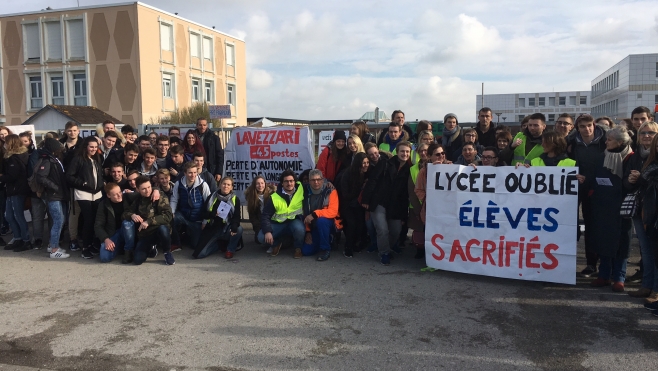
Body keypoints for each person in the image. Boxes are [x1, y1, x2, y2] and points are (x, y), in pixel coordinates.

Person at [586, 127, 634, 292]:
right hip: (602, 205)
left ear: (620, 142)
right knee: (604, 240)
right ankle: (604, 275)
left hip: (622, 207)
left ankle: (619, 277)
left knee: (622, 242)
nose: (606, 142)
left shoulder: (630, 158)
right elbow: (594, 177)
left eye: (609, 140)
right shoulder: (602, 157)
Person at [567, 114, 607, 277]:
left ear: (594, 125)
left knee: (593, 226)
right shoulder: (571, 143)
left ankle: (592, 263)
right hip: (577, 187)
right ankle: (567, 261)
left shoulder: (605, 141)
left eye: (589, 125)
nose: (587, 129)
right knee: (570, 225)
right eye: (582, 126)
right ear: (577, 128)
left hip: (598, 188)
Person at [625, 121, 658, 301]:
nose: (646, 136)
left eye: (651, 133)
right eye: (643, 132)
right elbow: (625, 181)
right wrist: (631, 180)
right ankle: (647, 286)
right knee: (645, 251)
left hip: (654, 212)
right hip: (641, 209)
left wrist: (642, 179)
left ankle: (656, 290)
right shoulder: (634, 156)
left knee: (656, 251)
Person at [122, 176, 175, 265]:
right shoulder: (137, 199)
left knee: (163, 229)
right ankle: (151, 248)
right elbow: (125, 213)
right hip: (146, 234)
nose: (147, 191)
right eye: (143, 189)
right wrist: (132, 215)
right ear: (138, 189)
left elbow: (168, 215)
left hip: (159, 231)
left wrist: (148, 221)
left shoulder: (159, 196)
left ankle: (167, 252)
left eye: (149, 187)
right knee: (138, 260)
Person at [66, 136, 104, 259]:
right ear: (85, 147)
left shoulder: (96, 158)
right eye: (91, 147)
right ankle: (85, 248)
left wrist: (100, 185)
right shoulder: (78, 159)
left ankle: (93, 244)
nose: (93, 149)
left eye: (95, 147)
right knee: (88, 220)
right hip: (83, 193)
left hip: (97, 193)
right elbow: (69, 176)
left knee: (96, 220)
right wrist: (83, 183)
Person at [34, 138, 70, 258]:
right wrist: (54, 187)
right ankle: (54, 250)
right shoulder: (47, 160)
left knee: (60, 220)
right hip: (54, 195)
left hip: (59, 194)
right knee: (58, 221)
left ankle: (52, 244)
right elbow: (41, 177)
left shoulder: (54, 159)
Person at [257, 170, 305, 257]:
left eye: (291, 181)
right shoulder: (274, 197)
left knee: (300, 229)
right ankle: (276, 244)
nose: (289, 183)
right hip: (278, 224)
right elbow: (265, 216)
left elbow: (315, 181)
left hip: (294, 221)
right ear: (282, 183)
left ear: (295, 181)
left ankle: (298, 248)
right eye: (286, 181)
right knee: (261, 237)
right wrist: (267, 231)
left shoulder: (301, 188)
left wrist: (328, 184)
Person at [193, 177, 243, 259]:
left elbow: (236, 216)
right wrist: (212, 214)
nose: (225, 186)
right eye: (224, 184)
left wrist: (234, 225)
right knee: (200, 254)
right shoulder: (212, 197)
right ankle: (219, 245)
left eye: (228, 185)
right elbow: (203, 213)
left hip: (226, 228)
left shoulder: (235, 199)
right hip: (213, 228)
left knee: (239, 229)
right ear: (220, 185)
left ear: (231, 187)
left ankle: (230, 250)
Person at [170, 162, 211, 251]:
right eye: (190, 173)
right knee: (171, 219)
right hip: (183, 215)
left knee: (195, 245)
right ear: (185, 173)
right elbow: (174, 199)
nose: (193, 175)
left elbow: (209, 203)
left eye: (195, 172)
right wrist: (172, 212)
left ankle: (187, 235)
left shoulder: (203, 185)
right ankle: (177, 243)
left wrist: (205, 221)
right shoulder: (178, 184)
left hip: (197, 219)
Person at [0, 135, 32, 251]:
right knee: (8, 215)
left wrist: (2, 177)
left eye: (6, 142)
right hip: (11, 190)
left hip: (17, 190)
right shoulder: (12, 157)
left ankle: (26, 240)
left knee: (18, 216)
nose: (4, 144)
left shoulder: (15, 157)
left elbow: (13, 176)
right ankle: (18, 238)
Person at [300, 170, 340, 261]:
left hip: (329, 223)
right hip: (313, 225)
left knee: (321, 220)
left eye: (318, 179)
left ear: (323, 180)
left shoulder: (331, 191)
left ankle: (325, 249)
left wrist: (315, 214)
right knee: (306, 251)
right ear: (309, 181)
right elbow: (304, 213)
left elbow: (333, 212)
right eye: (313, 180)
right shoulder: (304, 191)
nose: (316, 182)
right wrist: (308, 231)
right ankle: (327, 240)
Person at [96, 183, 136, 263]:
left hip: (128, 231)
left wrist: (156, 190)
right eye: (115, 194)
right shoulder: (103, 204)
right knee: (104, 257)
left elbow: (144, 192)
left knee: (126, 223)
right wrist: (106, 239)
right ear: (108, 195)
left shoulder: (127, 197)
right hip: (113, 233)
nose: (119, 195)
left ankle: (128, 251)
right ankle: (119, 248)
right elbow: (98, 225)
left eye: (120, 192)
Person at [339, 152, 369, 257]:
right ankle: (348, 247)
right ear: (358, 163)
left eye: (367, 162)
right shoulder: (348, 174)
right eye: (363, 163)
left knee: (360, 224)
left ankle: (356, 244)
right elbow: (345, 194)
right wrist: (360, 189)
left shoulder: (366, 173)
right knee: (352, 224)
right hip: (347, 204)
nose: (366, 165)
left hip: (358, 204)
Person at [408, 143, 429, 259]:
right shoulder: (413, 169)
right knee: (419, 231)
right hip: (418, 206)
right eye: (420, 151)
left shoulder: (440, 166)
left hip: (433, 207)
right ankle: (420, 250)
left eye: (425, 150)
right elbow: (412, 191)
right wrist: (418, 209)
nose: (423, 153)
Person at [244, 176, 275, 242]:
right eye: (257, 183)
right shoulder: (251, 197)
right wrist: (258, 229)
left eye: (262, 183)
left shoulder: (272, 195)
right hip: (260, 223)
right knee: (259, 239)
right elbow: (253, 217)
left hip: (272, 221)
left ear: (265, 184)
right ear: (254, 185)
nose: (260, 185)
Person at [195, 117, 224, 183]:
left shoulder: (214, 138)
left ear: (207, 125)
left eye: (204, 125)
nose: (202, 127)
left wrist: (219, 172)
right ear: (197, 125)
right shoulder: (192, 137)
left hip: (211, 169)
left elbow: (219, 155)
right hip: (196, 169)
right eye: (200, 125)